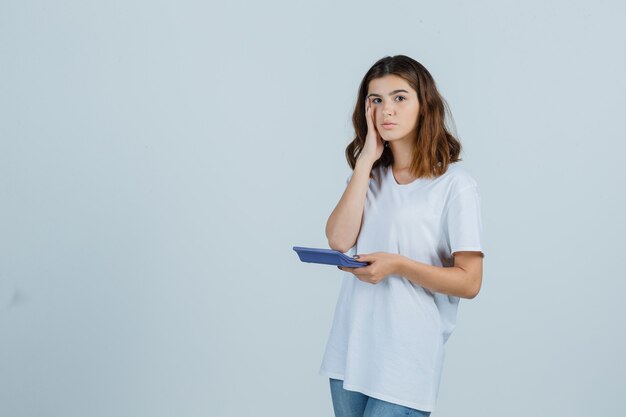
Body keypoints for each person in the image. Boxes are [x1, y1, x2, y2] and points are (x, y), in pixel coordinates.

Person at [318, 55, 485, 417]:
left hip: (405, 360)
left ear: (424, 106)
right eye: (375, 100)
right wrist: (364, 161)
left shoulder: (455, 186)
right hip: (349, 351)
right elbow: (337, 240)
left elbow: (470, 282)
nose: (386, 110)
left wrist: (397, 265)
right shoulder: (368, 178)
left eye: (399, 97)